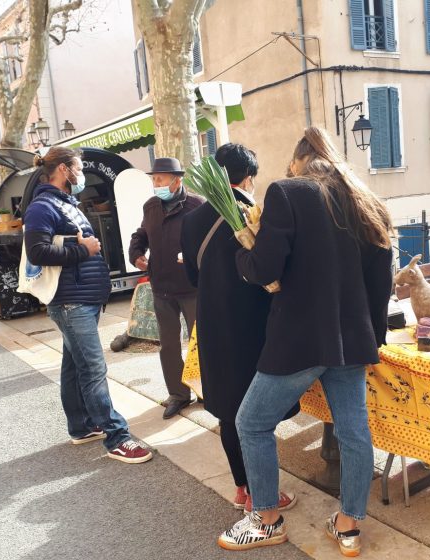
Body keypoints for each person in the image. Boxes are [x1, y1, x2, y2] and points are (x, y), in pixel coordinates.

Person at [217, 127, 393, 556]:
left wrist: (242, 250)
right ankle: (349, 525)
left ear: (298, 161)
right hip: (352, 339)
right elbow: (381, 279)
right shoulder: (365, 199)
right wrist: (372, 338)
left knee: (251, 422)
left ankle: (265, 519)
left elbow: (262, 268)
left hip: (299, 339)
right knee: (354, 432)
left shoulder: (288, 192)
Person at [180, 143, 298, 513]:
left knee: (230, 409)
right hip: (255, 326)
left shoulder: (193, 218)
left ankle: (242, 488)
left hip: (213, 323)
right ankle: (267, 495)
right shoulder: (253, 213)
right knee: (257, 416)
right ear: (248, 177)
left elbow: (192, 275)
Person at [24, 146, 151, 464]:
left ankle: (81, 426)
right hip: (72, 302)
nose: (81, 174)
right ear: (64, 170)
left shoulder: (66, 203)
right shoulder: (42, 206)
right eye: (79, 168)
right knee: (94, 369)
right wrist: (83, 251)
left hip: (82, 298)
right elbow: (37, 252)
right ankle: (117, 437)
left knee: (73, 365)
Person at [128, 157, 204, 419]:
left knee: (201, 344)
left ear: (176, 180)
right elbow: (141, 234)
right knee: (169, 345)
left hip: (192, 287)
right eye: (153, 179)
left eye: (159, 179)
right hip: (161, 287)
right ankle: (178, 394)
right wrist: (136, 252)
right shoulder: (151, 206)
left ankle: (207, 392)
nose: (155, 184)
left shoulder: (197, 205)